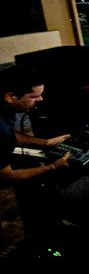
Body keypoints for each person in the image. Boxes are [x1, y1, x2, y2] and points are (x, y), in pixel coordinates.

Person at [0, 66, 71, 240]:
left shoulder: (4, 108)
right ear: (11, 96)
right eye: (34, 96)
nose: (40, 99)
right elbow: (7, 175)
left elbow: (11, 134)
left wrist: (44, 143)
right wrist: (52, 167)